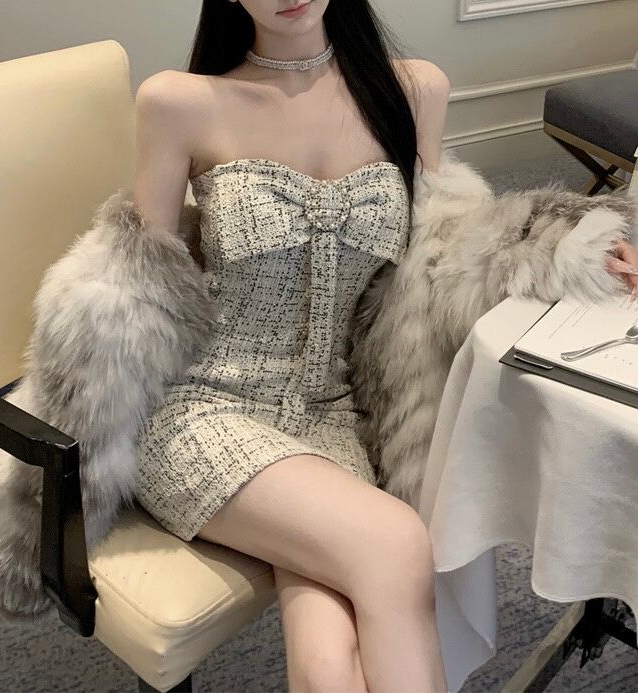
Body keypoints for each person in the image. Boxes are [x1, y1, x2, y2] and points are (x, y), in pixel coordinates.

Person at [130, 2, 638, 692]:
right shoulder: (178, 102)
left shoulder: (412, 90)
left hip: (337, 413)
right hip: (203, 406)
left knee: (329, 663)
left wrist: (568, 242)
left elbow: (449, 247)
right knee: (396, 543)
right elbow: (138, 288)